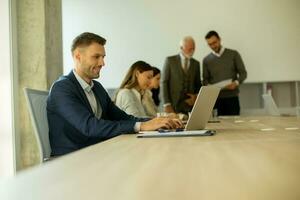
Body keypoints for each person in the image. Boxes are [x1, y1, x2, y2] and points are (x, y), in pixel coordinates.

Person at [47, 32, 182, 156]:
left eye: (103, 57)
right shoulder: (62, 88)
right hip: (71, 159)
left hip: (97, 152)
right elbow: (89, 126)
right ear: (78, 56)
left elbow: (124, 118)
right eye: (96, 57)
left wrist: (159, 122)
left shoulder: (97, 88)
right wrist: (142, 126)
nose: (102, 63)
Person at [202, 30, 247, 115]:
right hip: (215, 99)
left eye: (214, 42)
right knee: (218, 126)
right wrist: (209, 86)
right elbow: (205, 80)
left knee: (234, 125)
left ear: (219, 40)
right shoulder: (206, 60)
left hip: (232, 97)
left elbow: (243, 73)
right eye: (210, 44)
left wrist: (236, 83)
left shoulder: (233, 54)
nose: (213, 46)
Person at [161, 36, 202, 114]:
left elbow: (198, 84)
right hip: (173, 104)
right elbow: (164, 82)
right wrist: (166, 104)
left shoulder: (196, 63)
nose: (192, 51)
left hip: (190, 105)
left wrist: (196, 97)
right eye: (189, 49)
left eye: (193, 48)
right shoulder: (170, 61)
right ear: (181, 48)